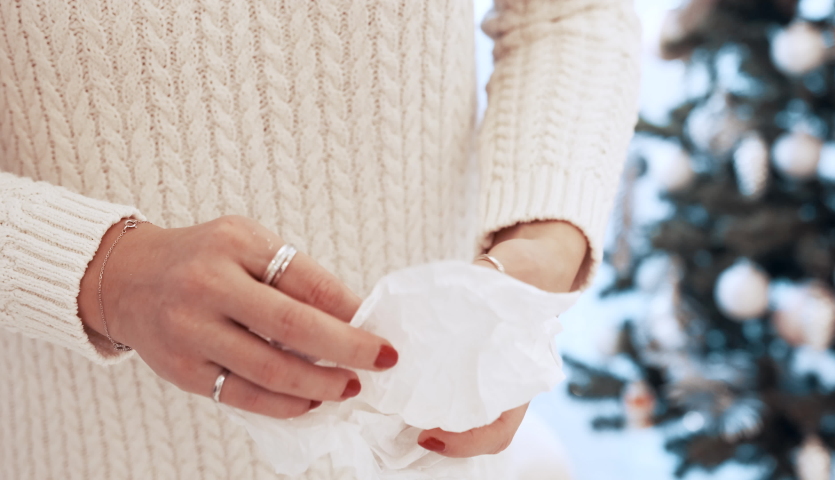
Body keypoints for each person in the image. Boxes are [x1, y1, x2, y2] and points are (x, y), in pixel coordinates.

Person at [0, 0, 640, 478]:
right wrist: (105, 272)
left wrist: (539, 250)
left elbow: (569, 16)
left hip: (431, 455)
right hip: (83, 447)